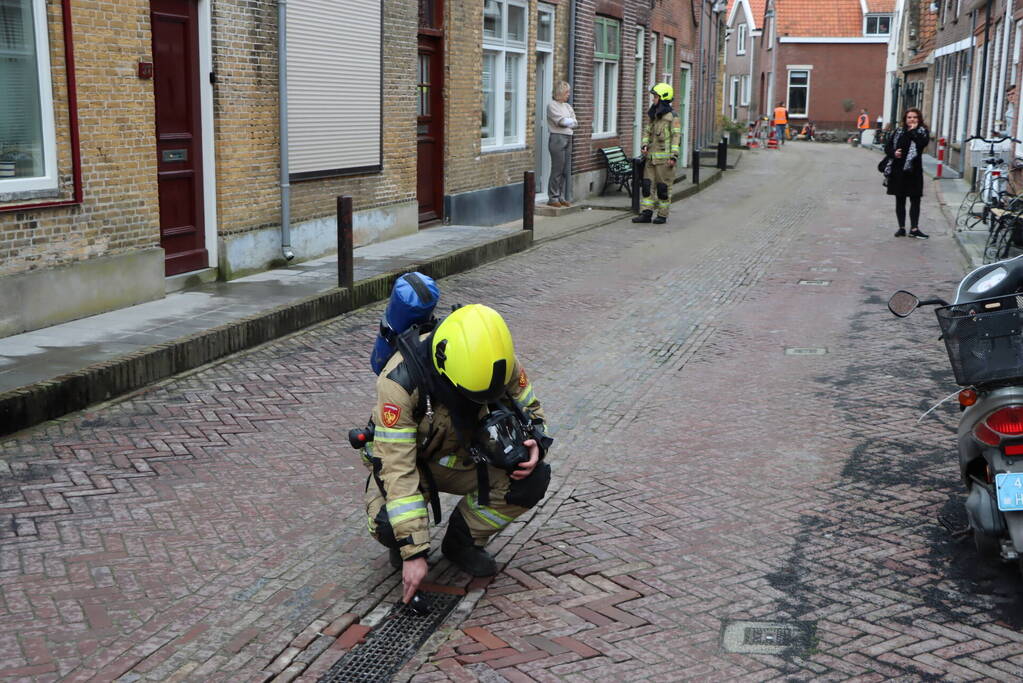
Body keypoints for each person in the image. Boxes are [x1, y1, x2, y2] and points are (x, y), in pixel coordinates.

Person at [363, 304, 552, 603]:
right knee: (390, 524)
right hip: (415, 464)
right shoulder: (399, 383)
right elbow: (397, 468)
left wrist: (533, 442)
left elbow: (531, 409)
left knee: (532, 480)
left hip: (468, 459)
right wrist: (413, 551)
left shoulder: (498, 360)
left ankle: (462, 542)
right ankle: (403, 545)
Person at [633, 82, 681, 225]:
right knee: (647, 186)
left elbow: (676, 138)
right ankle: (646, 213)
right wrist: (644, 144)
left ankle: (662, 214)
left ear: (663, 98)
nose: (653, 99)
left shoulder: (673, 117)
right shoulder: (654, 115)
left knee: (663, 189)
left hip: (665, 162)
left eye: (655, 96)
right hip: (650, 159)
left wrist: (673, 156)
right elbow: (647, 132)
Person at [884, 108, 931, 239]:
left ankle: (914, 228)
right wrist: (894, 153)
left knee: (915, 199)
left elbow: (922, 145)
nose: (912, 119)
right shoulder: (898, 131)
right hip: (898, 170)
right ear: (905, 119)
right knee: (900, 199)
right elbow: (887, 147)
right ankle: (901, 228)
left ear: (919, 119)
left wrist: (912, 132)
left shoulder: (922, 132)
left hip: (914, 170)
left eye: (915, 117)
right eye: (909, 117)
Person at [546, 81, 577, 207]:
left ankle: (561, 196)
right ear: (560, 93)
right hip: (557, 138)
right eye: (566, 92)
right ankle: (553, 197)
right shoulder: (552, 106)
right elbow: (561, 122)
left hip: (569, 137)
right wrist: (568, 121)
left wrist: (569, 121)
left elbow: (575, 122)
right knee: (557, 169)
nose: (568, 95)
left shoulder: (568, 106)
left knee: (565, 169)